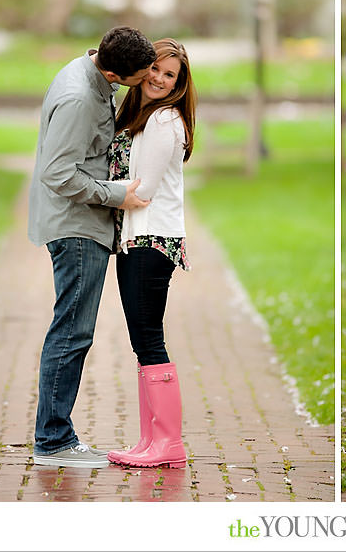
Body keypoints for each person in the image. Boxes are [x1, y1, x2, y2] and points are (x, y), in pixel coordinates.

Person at [29, 26, 156, 468]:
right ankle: (53, 441)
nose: (148, 78)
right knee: (72, 333)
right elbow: (58, 173)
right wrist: (116, 194)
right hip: (77, 228)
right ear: (120, 73)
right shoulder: (80, 98)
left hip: (83, 225)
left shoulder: (91, 75)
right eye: (144, 74)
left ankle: (53, 436)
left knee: (72, 331)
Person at [106, 38, 196, 469]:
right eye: (156, 69)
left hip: (151, 242)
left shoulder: (164, 120)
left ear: (179, 84)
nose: (160, 79)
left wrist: (96, 194)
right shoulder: (139, 115)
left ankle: (168, 444)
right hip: (136, 241)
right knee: (142, 341)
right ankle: (150, 440)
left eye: (170, 75)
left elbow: (143, 190)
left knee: (149, 339)